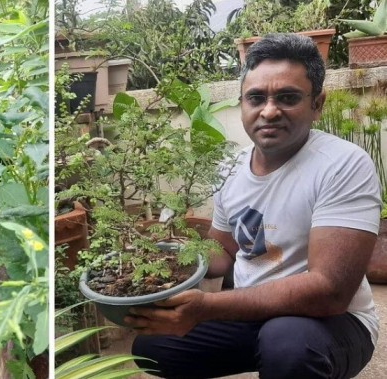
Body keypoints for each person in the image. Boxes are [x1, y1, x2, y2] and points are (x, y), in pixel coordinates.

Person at [126, 33, 380, 379]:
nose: (269, 111)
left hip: (332, 322)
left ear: (317, 104)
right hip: (253, 314)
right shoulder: (230, 168)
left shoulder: (343, 164)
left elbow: (330, 291)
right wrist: (170, 258)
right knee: (152, 347)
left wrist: (208, 307)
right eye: (256, 98)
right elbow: (222, 251)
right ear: (242, 104)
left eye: (288, 98)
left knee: (287, 344)